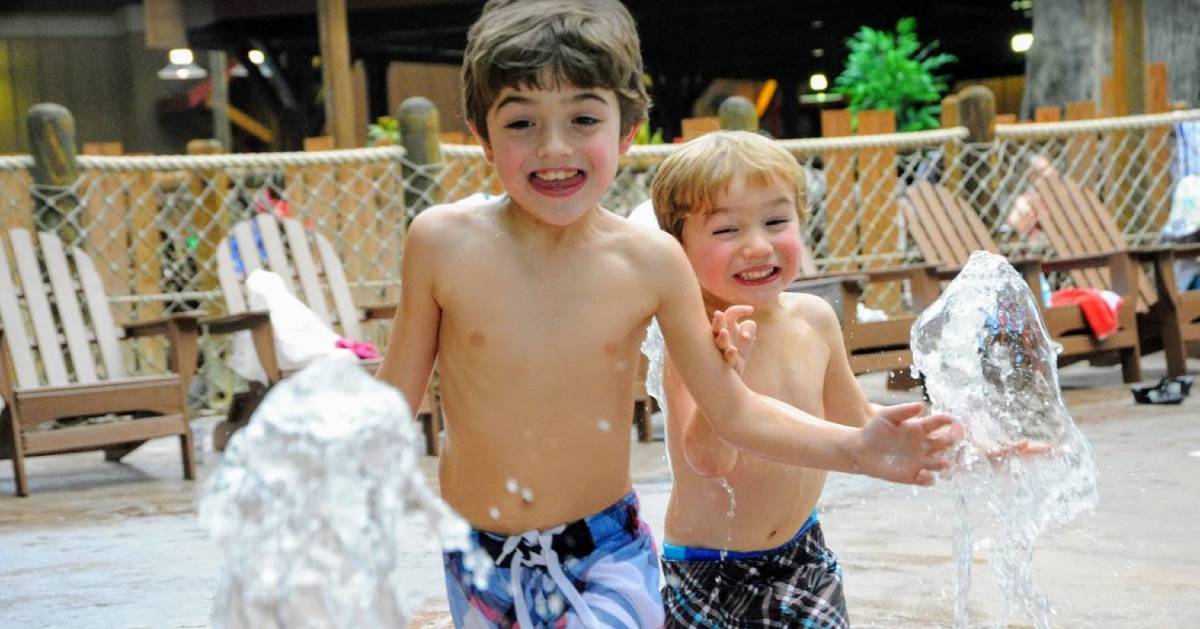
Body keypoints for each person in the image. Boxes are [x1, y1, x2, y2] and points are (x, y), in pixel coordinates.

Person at [375, 2, 961, 627]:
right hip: (477, 557)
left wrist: (855, 447)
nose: (554, 148)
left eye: (582, 119)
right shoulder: (442, 243)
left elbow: (732, 410)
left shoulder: (650, 260)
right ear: (481, 135)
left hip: (604, 551)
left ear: (625, 131)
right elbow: (389, 405)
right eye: (521, 122)